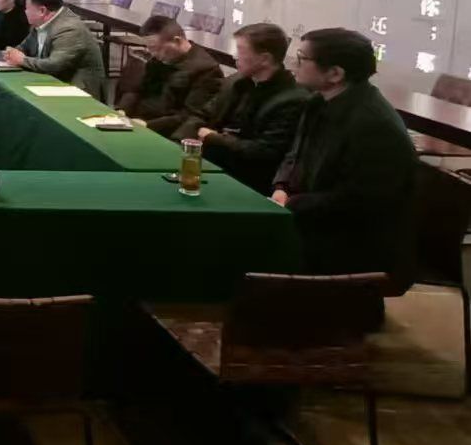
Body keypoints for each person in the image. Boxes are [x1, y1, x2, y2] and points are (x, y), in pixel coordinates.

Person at [271, 28, 416, 279]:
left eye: (301, 58)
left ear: (335, 74)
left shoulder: (373, 124)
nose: (292, 63)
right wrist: (282, 186)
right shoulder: (317, 102)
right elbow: (295, 154)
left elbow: (360, 201)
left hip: (351, 241)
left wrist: (293, 203)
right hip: (309, 216)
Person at [173, 23, 309, 193]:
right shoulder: (236, 82)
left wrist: (215, 138)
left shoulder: (293, 100)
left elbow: (265, 152)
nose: (234, 56)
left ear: (264, 59)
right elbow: (202, 114)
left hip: (245, 181)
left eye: (240, 50)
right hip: (208, 164)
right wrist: (178, 144)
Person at [115, 15, 224, 137]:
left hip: (164, 131)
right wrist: (122, 110)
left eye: (157, 49)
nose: (153, 54)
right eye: (150, 48)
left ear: (177, 41)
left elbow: (190, 117)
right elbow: (137, 89)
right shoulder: (159, 59)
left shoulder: (207, 70)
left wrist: (147, 125)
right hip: (138, 121)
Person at [3, 0, 106, 95]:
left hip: (77, 90)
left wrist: (22, 60)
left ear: (42, 11)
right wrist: (11, 53)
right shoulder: (40, 23)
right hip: (52, 81)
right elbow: (24, 47)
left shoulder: (69, 28)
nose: (25, 12)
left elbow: (54, 65)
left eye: (27, 8)